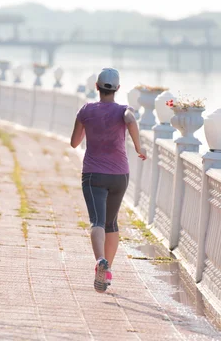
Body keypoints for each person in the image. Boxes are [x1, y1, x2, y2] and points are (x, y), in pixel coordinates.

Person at [70, 68, 146, 293]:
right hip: (120, 176)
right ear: (118, 89)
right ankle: (108, 269)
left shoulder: (86, 110)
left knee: (98, 222)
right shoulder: (123, 110)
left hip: (94, 174)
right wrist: (139, 148)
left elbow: (74, 143)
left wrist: (88, 129)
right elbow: (130, 119)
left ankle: (100, 260)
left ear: (97, 87)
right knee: (112, 223)